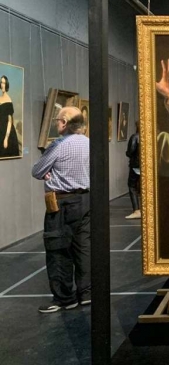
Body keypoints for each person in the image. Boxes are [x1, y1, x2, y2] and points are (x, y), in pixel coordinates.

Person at [31, 106, 90, 313]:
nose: (56, 123)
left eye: (57, 120)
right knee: (83, 248)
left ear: (64, 123)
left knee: (58, 249)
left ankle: (65, 298)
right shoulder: (89, 143)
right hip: (86, 200)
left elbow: (37, 171)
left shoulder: (59, 145)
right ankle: (87, 293)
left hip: (62, 203)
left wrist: (49, 173)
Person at [0, 75, 20, 157]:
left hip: (7, 133)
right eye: (1, 82)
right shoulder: (0, 98)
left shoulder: (8, 100)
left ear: (7, 85)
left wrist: (6, 138)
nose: (2, 85)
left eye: (4, 83)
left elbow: (10, 121)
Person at [125, 121, 141, 219]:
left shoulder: (135, 137)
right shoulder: (151, 136)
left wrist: (127, 153)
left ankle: (136, 210)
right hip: (148, 167)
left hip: (136, 165)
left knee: (132, 186)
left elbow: (130, 151)